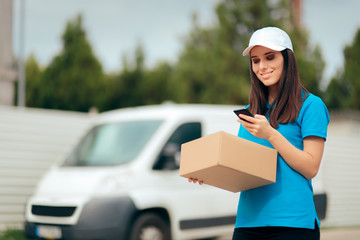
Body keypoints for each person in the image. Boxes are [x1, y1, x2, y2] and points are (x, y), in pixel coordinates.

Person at [189, 26, 330, 240]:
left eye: (270, 57)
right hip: (248, 223)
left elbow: (311, 167)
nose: (262, 66)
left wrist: (271, 134)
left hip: (293, 225)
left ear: (287, 59)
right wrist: (208, 173)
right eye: (255, 60)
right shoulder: (251, 112)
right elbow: (243, 169)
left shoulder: (311, 106)